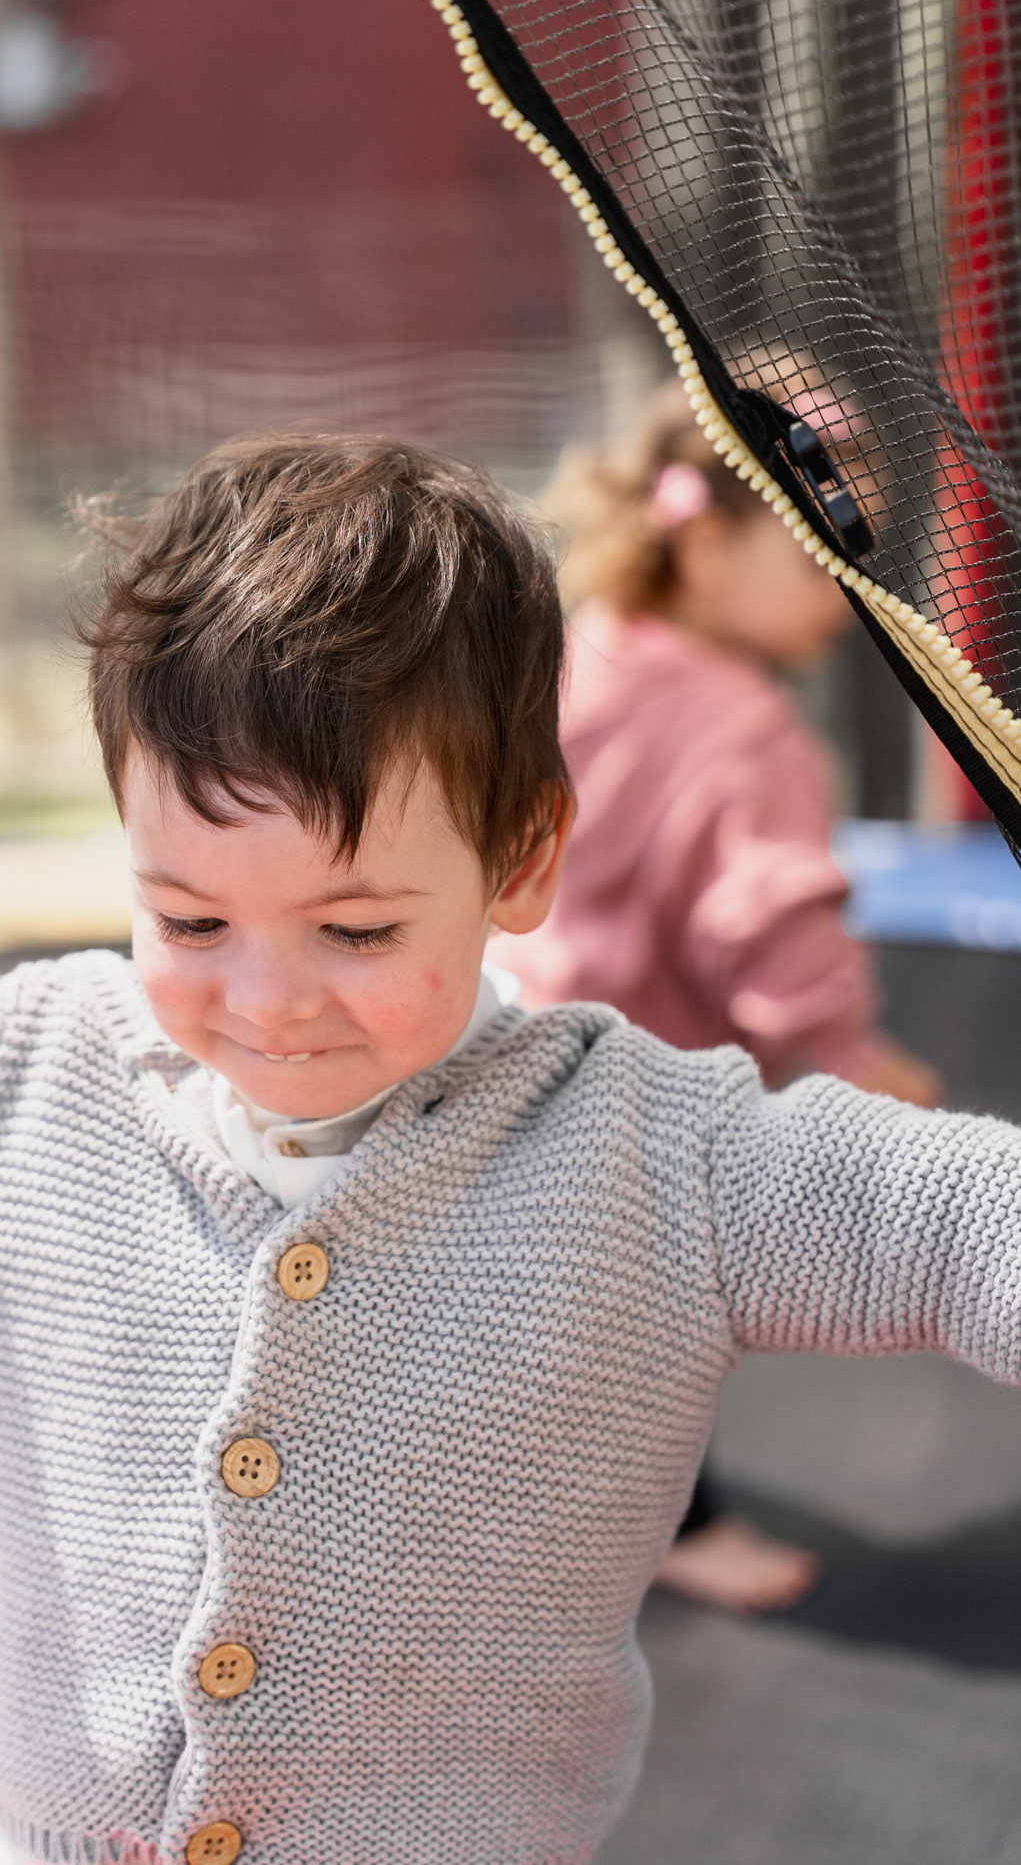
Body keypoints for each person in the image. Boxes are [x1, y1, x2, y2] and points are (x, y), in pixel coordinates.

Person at [0, 432, 1010, 1865]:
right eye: (188, 918)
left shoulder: (662, 1164)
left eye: (356, 930)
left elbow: (954, 1221)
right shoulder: (24, 1071)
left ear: (524, 860)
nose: (265, 999)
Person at [493, 381, 941, 1613]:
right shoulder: (747, 730)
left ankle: (507, 1490)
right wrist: (845, 1048)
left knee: (545, 1308)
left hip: (510, 1032)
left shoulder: (581, 643)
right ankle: (668, 1525)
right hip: (639, 1087)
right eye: (818, 546)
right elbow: (770, 918)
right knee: (655, 1326)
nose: (847, 580)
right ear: (701, 538)